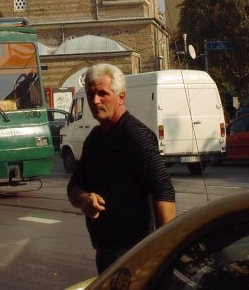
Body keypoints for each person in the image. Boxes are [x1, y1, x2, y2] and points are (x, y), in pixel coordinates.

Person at [67, 63, 176, 274]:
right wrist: (84, 199)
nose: (95, 100)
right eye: (91, 94)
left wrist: (165, 253)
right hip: (106, 252)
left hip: (134, 252)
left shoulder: (136, 136)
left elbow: (163, 191)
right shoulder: (94, 139)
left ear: (121, 97)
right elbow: (74, 185)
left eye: (102, 93)